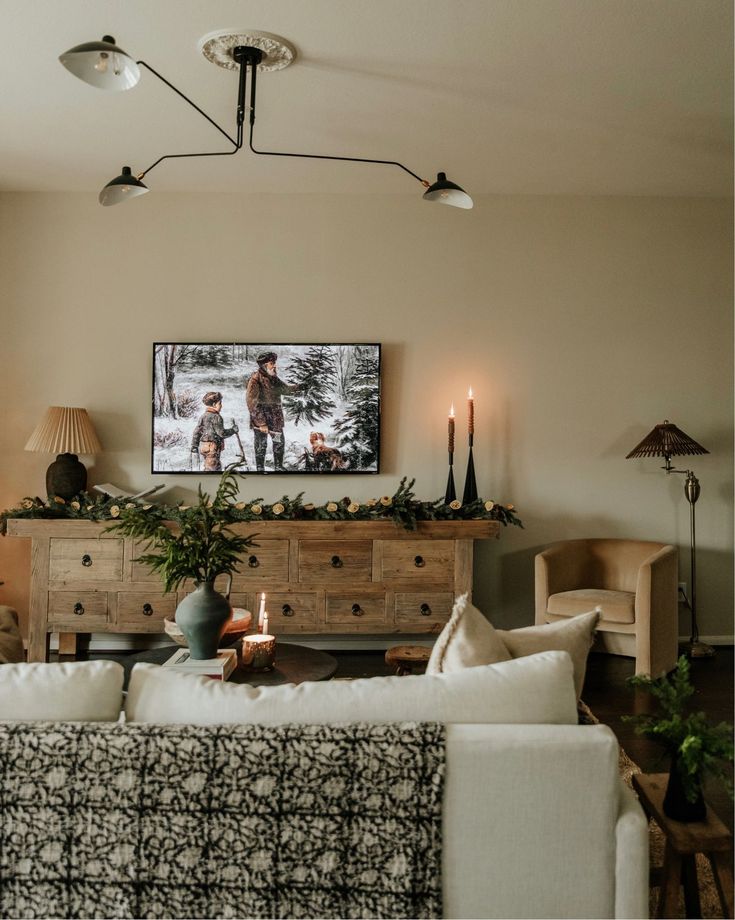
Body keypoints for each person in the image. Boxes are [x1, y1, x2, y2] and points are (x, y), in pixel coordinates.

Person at [246, 351, 301, 471]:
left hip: (275, 418)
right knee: (261, 444)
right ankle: (260, 469)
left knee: (279, 442)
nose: (274, 366)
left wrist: (300, 387)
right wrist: (261, 423)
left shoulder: (273, 378)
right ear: (264, 365)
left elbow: (285, 389)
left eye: (274, 363)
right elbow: (252, 403)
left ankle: (278, 466)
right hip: (261, 418)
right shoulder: (255, 379)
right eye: (272, 363)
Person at [190, 391, 238, 472]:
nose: (221, 406)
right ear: (214, 405)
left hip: (204, 447)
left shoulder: (203, 416)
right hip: (212, 447)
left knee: (214, 467)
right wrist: (233, 430)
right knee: (211, 470)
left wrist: (194, 445)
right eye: (220, 403)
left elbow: (197, 431)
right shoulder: (217, 417)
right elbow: (222, 433)